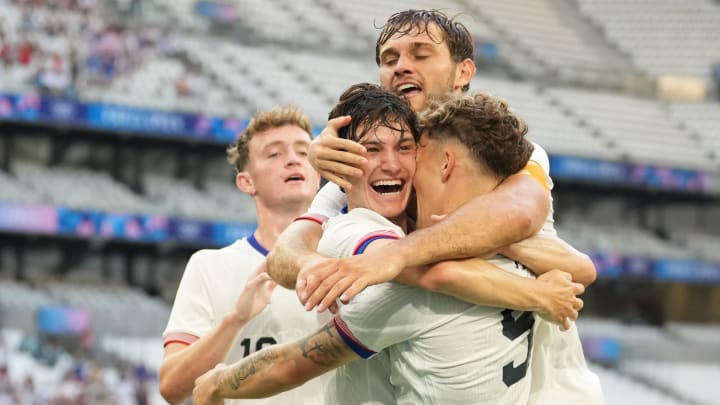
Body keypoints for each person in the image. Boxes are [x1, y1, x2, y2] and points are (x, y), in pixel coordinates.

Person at [192, 84, 586, 405]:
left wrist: (220, 383)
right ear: (341, 161)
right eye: (370, 150)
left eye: (407, 148)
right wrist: (538, 291)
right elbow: (581, 269)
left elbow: (297, 363)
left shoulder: (409, 265)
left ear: (441, 160)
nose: (393, 165)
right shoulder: (490, 234)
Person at [267, 8, 594, 320]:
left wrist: (390, 258)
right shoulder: (375, 162)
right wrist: (317, 267)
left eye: (420, 55)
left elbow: (520, 215)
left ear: (463, 72)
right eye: (389, 59)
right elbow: (284, 254)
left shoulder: (504, 149)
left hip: (546, 373)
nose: (401, 67)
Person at [159, 106, 326, 405]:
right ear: (246, 181)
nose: (292, 159)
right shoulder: (210, 266)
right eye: (274, 154)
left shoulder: (350, 257)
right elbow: (172, 387)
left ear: (318, 172)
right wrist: (236, 319)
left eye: (304, 152)